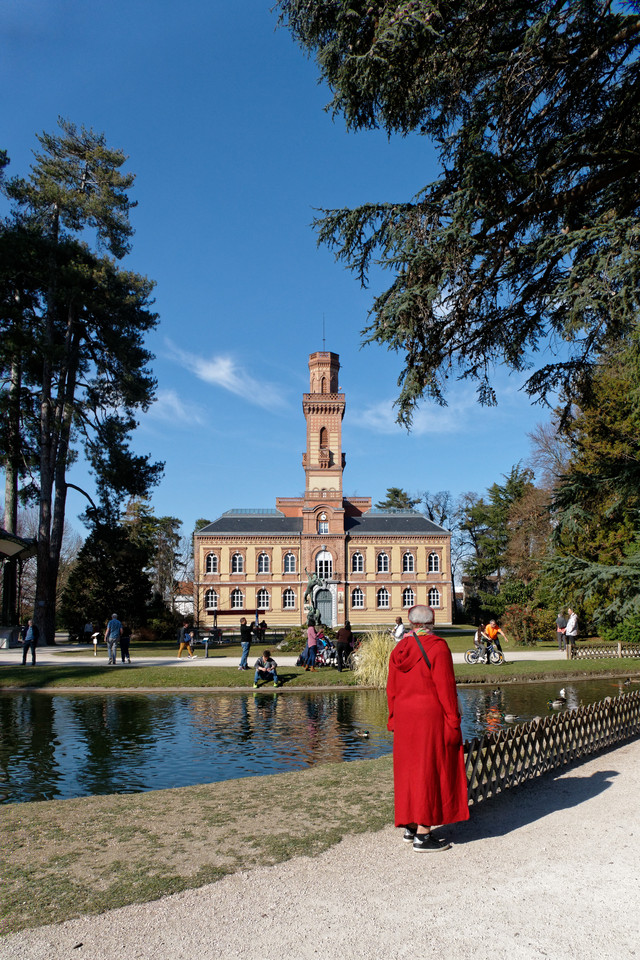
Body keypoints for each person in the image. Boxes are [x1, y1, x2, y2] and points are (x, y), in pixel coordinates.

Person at [387, 604, 469, 852]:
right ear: (431, 624)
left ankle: (410, 826)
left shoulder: (399, 649)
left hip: (404, 718)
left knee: (409, 771)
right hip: (429, 718)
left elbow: (391, 688)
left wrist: (392, 717)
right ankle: (423, 834)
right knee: (429, 770)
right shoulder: (437, 647)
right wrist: (453, 721)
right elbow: (445, 688)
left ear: (412, 624)